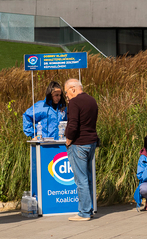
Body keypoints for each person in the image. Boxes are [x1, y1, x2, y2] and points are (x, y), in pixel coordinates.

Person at [63, 78, 99, 221]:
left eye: (66, 93)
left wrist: (68, 140)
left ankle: (84, 212)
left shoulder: (74, 102)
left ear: (73, 89)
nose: (66, 97)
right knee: (88, 178)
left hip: (78, 144)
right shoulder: (92, 100)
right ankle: (88, 210)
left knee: (81, 180)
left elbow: (73, 125)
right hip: (91, 143)